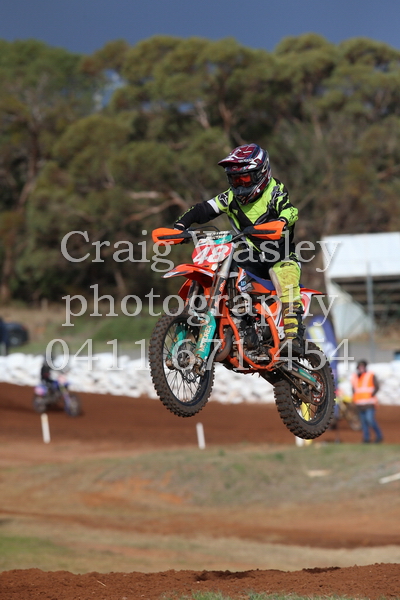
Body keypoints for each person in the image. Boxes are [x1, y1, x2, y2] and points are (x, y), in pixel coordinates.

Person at [174, 143, 302, 353]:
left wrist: (281, 221)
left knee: (285, 276)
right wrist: (180, 226)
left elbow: (291, 211)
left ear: (261, 174)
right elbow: (203, 209)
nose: (239, 185)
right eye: (235, 180)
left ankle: (292, 337)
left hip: (281, 256)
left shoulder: (274, 191)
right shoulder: (230, 197)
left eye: (244, 179)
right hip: (253, 256)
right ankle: (237, 322)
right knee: (226, 269)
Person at [351, 360, 383, 443]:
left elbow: (377, 386)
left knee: (370, 420)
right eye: (360, 366)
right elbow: (354, 389)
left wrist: (372, 394)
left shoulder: (370, 375)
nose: (361, 368)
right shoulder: (355, 377)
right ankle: (366, 439)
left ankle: (379, 436)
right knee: (363, 423)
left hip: (369, 403)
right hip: (359, 404)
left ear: (365, 367)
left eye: (362, 366)